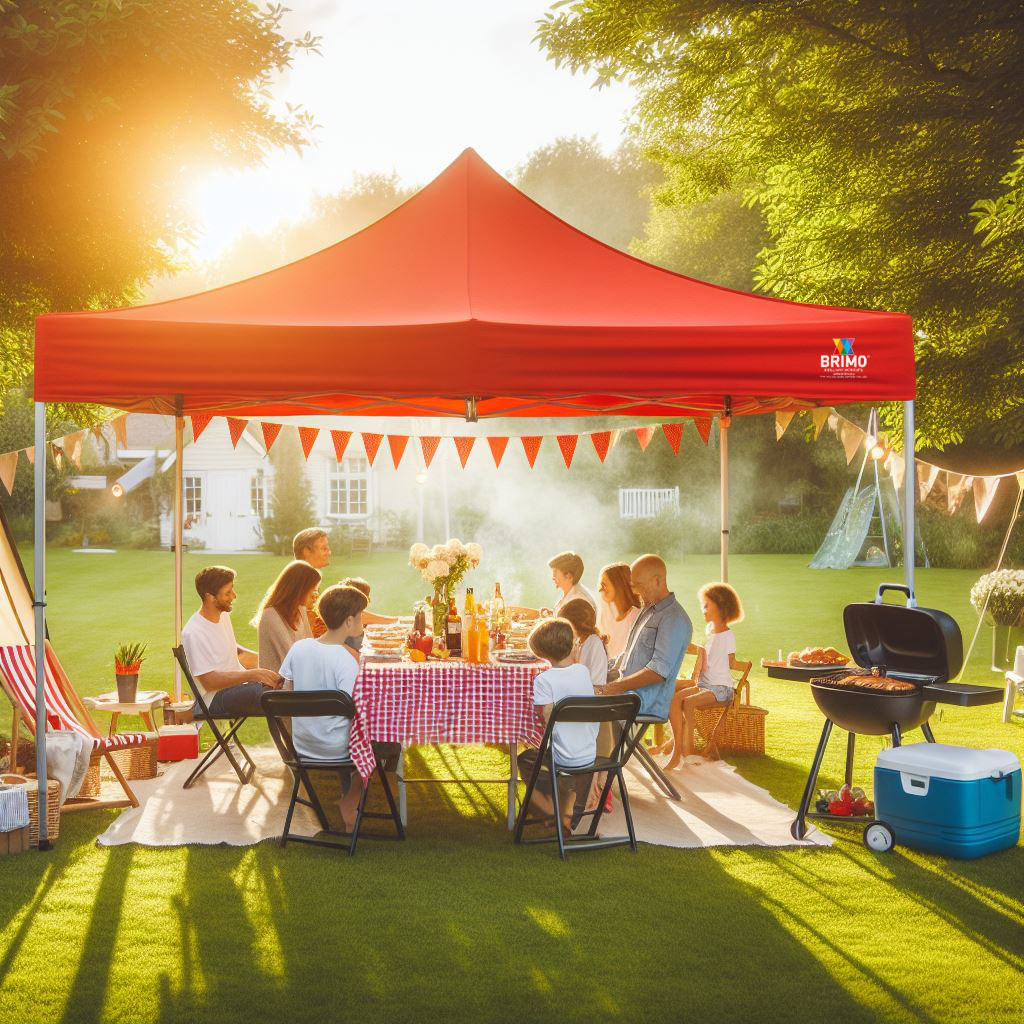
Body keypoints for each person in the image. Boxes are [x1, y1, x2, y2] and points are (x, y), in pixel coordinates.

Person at [278, 584, 386, 831]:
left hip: (303, 744)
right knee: (387, 740)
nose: (362, 621)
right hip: (335, 748)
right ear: (349, 621)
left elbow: (287, 691)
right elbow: (359, 709)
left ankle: (348, 795)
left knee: (354, 730)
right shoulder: (345, 660)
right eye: (360, 617)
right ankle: (351, 799)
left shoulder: (300, 647)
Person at [519, 618, 598, 834]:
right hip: (590, 755)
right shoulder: (583, 672)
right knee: (549, 761)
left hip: (563, 757)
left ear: (542, 653)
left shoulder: (543, 680)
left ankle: (553, 812)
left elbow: (543, 716)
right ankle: (564, 808)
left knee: (526, 759)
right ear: (572, 644)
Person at [600, 555, 692, 726]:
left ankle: (598, 753)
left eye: (639, 586)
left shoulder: (673, 618)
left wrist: (613, 688)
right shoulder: (649, 609)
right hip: (628, 696)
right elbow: (629, 654)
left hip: (644, 703)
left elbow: (657, 672)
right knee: (575, 693)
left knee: (577, 707)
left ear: (658, 581)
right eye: (633, 586)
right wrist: (604, 671)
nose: (634, 592)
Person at [181, 566, 283, 717]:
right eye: (228, 593)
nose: (234, 596)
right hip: (214, 698)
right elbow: (209, 682)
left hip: (238, 688)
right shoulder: (194, 632)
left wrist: (277, 665)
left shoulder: (222, 616)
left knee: (283, 685)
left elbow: (237, 653)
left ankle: (287, 741)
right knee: (272, 696)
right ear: (210, 597)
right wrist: (253, 675)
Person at [663, 583, 744, 770]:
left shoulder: (727, 635)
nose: (703, 609)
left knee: (689, 702)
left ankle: (687, 751)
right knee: (674, 700)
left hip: (721, 689)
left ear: (720, 606)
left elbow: (731, 662)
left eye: (707, 605)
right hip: (706, 685)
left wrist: (723, 661)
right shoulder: (711, 633)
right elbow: (707, 657)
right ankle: (677, 745)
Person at [254, 560, 321, 673]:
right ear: (300, 589)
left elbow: (310, 646)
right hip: (279, 685)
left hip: (299, 678)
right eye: (313, 590)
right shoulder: (270, 615)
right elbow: (290, 658)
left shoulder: (300, 610)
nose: (315, 595)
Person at [340, 576, 399, 656]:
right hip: (352, 657)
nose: (369, 599)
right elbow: (389, 620)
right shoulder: (355, 615)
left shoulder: (346, 611)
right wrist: (397, 620)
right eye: (366, 595)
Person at [596, 562, 642, 660]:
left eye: (604, 585)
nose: (600, 590)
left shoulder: (635, 618)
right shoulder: (606, 618)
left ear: (618, 585)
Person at [293, 528, 331, 637]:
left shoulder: (309, 579)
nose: (329, 552)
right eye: (324, 548)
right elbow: (309, 627)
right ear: (307, 551)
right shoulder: (299, 583)